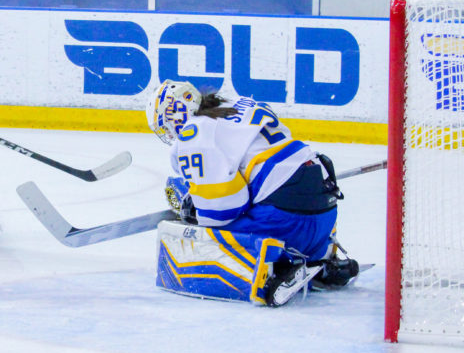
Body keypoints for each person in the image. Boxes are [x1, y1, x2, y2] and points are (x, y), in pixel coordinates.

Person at [145, 80, 358, 299]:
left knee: (207, 236)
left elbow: (223, 212)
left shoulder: (194, 134)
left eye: (166, 127)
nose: (170, 135)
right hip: (324, 213)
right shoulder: (239, 104)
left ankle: (281, 268)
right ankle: (322, 261)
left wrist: (193, 214)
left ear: (174, 116)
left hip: (285, 221)